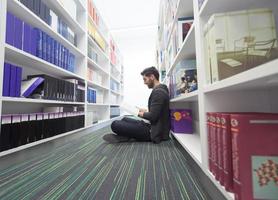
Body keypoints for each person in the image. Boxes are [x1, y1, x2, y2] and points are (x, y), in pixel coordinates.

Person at [103, 66, 170, 144]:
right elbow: (157, 111)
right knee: (125, 119)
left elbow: (152, 116)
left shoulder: (159, 93)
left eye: (145, 79)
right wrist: (141, 110)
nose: (144, 82)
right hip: (153, 126)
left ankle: (128, 136)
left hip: (154, 132)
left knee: (115, 124)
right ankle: (129, 135)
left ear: (152, 77)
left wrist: (136, 112)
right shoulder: (161, 89)